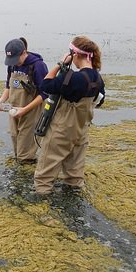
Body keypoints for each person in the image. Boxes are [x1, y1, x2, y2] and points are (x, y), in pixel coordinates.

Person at [33, 35, 105, 194]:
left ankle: (43, 206)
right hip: (81, 132)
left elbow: (45, 85)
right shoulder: (98, 79)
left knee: (44, 175)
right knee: (74, 175)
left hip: (61, 131)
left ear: (75, 54)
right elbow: (100, 101)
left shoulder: (72, 78)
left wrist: (60, 65)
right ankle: (74, 201)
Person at [0, 37, 48, 163]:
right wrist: (1, 101)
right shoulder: (12, 65)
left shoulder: (38, 65)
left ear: (24, 52)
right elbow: (8, 86)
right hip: (14, 110)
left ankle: (29, 174)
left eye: (16, 59)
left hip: (32, 111)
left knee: (25, 154)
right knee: (15, 143)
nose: (14, 62)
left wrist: (25, 110)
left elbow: (44, 93)